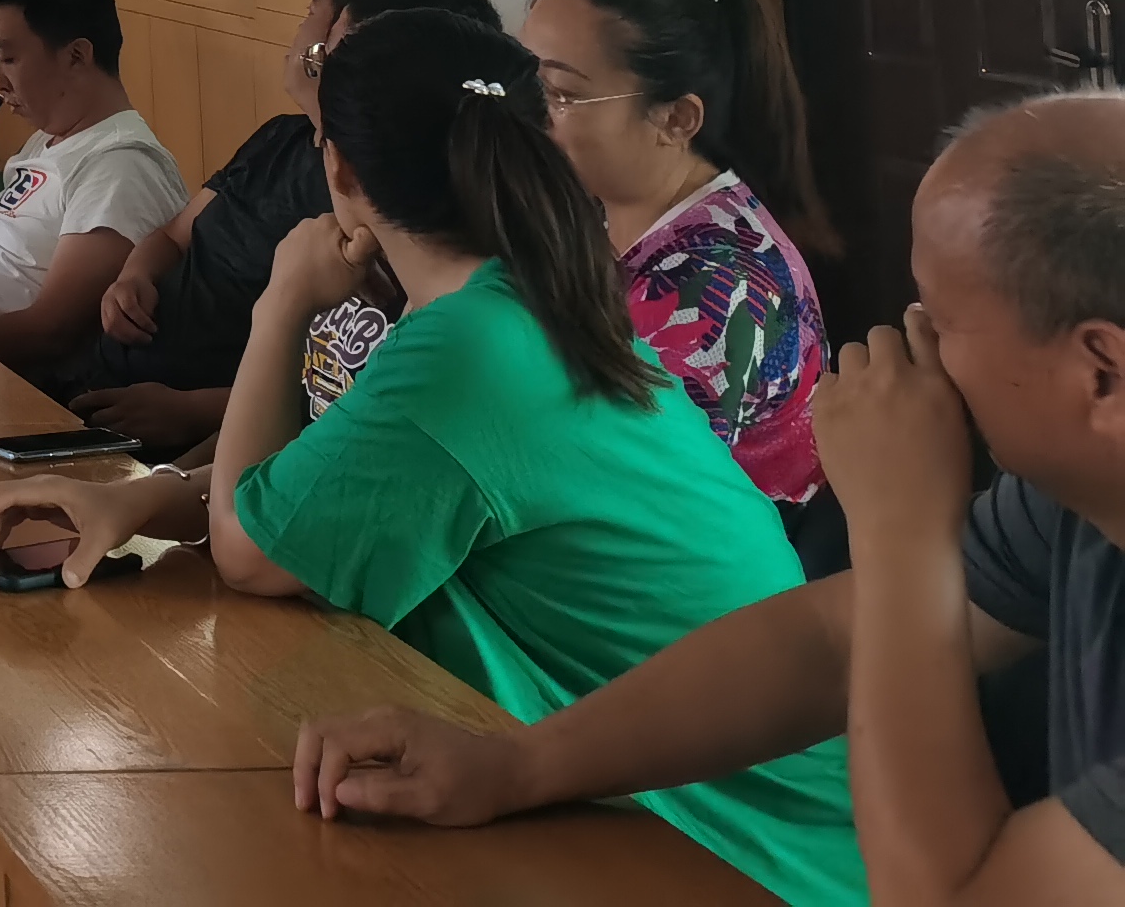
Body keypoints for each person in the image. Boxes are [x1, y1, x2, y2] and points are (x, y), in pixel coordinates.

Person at [0, 8, 865, 906]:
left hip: (733, 846)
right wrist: (155, 495)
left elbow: (248, 551)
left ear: (343, 171)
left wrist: (283, 305)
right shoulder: (523, 296)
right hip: (720, 799)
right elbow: (337, 485)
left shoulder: (470, 348)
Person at [292, 88, 1125, 907]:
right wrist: (515, 767)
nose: (913, 346)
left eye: (941, 320)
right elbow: (828, 643)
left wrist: (899, 528)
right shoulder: (1067, 500)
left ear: (1102, 373)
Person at [66, 0, 479, 457]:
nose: (308, 48)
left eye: (322, 26)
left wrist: (188, 416)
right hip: (130, 392)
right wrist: (134, 276)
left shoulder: (390, 222)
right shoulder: (282, 138)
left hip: (187, 428)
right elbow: (175, 233)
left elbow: (325, 402)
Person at [525, 0, 837, 511]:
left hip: (714, 558)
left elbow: (610, 490)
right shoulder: (601, 208)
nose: (530, 116)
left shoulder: (713, 286)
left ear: (675, 119)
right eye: (527, 83)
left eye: (561, 94)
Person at [0, 0, 187, 380]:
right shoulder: (50, 139)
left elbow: (52, 332)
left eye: (7, 58)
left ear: (76, 56)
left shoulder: (120, 168)